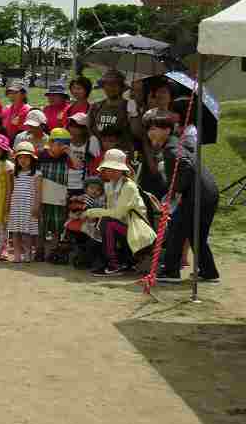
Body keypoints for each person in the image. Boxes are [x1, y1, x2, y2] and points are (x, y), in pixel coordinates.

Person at [142, 116, 220, 284]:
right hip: (208, 193)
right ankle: (209, 271)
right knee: (196, 234)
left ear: (167, 130)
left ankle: (170, 271)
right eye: (149, 129)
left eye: (155, 128)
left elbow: (185, 166)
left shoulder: (171, 148)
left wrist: (175, 190)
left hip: (196, 195)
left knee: (177, 230)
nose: (151, 133)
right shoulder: (177, 143)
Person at [83, 149, 151, 276]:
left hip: (138, 232)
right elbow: (112, 212)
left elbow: (118, 214)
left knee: (107, 223)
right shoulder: (109, 186)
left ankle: (114, 265)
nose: (111, 172)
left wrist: (92, 212)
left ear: (122, 170)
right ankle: (119, 262)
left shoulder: (129, 186)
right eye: (108, 169)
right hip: (125, 229)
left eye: (115, 169)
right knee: (104, 223)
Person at [38, 128, 72, 262]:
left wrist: (70, 153)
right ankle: (39, 250)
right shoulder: (41, 155)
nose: (61, 147)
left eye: (65, 145)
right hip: (43, 196)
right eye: (58, 143)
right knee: (41, 225)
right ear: (51, 143)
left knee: (57, 227)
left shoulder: (67, 158)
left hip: (59, 198)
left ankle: (53, 251)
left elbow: (78, 165)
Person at [8, 141, 41, 263]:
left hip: (29, 207)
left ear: (32, 159)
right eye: (20, 157)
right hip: (16, 206)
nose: (23, 160)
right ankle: (17, 254)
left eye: (26, 157)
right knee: (16, 232)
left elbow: (38, 192)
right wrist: (9, 205)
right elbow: (11, 190)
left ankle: (28, 253)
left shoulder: (37, 174)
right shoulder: (14, 174)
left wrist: (36, 206)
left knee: (27, 233)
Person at [88, 70, 135, 154]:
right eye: (108, 84)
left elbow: (137, 132)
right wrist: (92, 137)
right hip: (99, 154)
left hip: (122, 155)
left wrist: (134, 114)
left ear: (121, 87)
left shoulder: (128, 106)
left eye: (115, 84)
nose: (111, 88)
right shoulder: (96, 106)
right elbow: (89, 126)